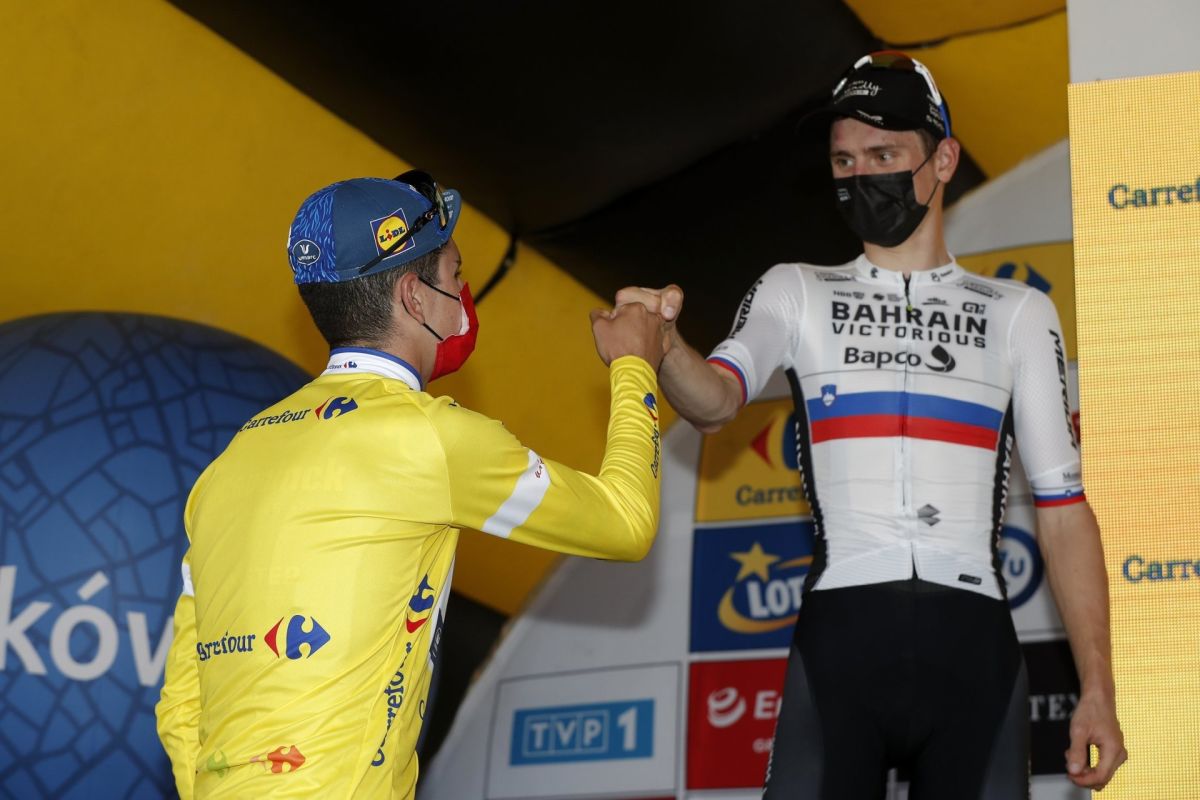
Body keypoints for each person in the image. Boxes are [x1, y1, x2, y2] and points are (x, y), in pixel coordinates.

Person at [618, 52, 1126, 798]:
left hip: (974, 653)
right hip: (842, 646)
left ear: (943, 159)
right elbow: (715, 402)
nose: (861, 175)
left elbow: (1063, 509)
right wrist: (663, 346)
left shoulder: (1017, 312)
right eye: (844, 160)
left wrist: (1098, 690)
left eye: (884, 155)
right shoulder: (797, 291)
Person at [155, 171, 668, 799]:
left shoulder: (231, 461)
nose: (464, 295)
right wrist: (635, 364)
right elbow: (625, 524)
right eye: (456, 273)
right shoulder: (432, 438)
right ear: (414, 297)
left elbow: (180, 705)